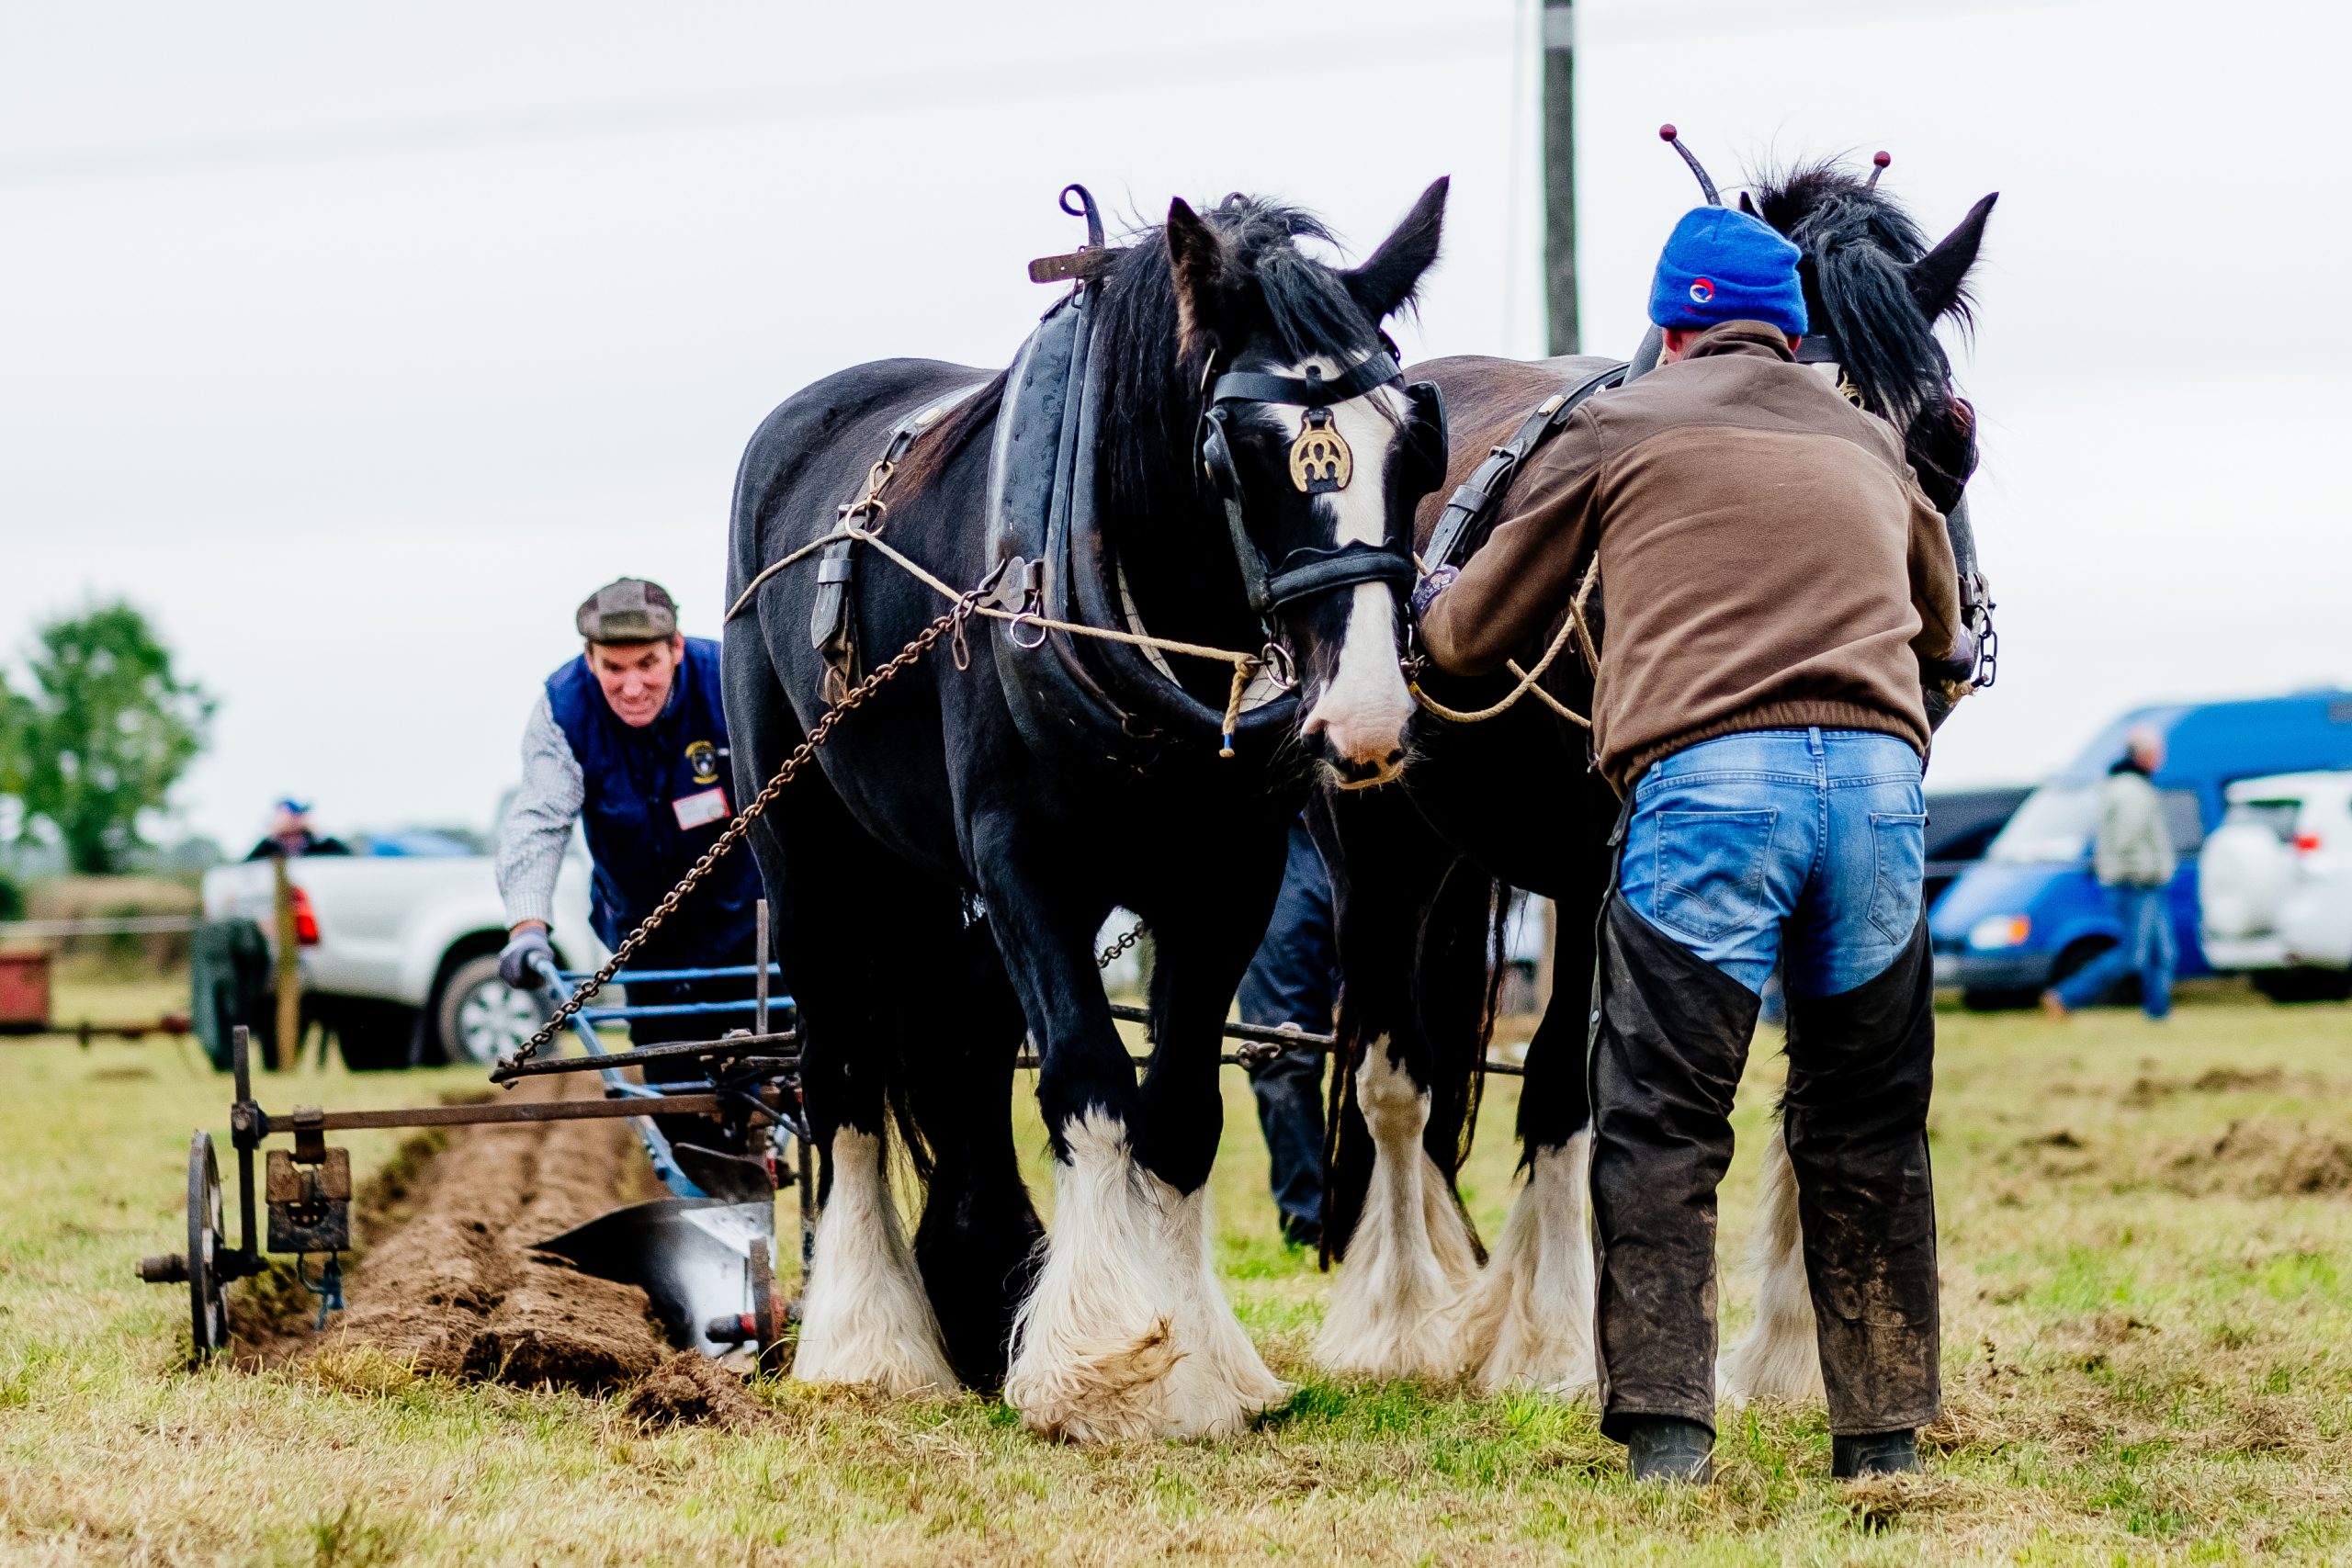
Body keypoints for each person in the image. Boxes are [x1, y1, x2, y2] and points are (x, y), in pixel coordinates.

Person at [1414, 206, 1978, 1483]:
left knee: (1665, 1118)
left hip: (1713, 788)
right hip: (1882, 796)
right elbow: (1942, 633)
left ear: (1670, 329)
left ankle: (1670, 1436)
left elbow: (1472, 635)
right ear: (1791, 331)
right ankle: (1881, 1441)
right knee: (1870, 1118)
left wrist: (1424, 598)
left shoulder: (1618, 423)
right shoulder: (1865, 438)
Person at [495, 578, 763, 1145]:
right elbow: (539, 822)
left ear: (677, 649)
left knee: (768, 1086)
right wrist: (527, 927)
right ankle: (712, 1202)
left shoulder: (732, 682)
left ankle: (760, 1169)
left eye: (648, 663)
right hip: (646, 940)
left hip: (751, 935)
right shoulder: (563, 709)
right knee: (676, 1106)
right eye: (613, 669)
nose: (632, 686)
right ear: (589, 658)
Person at [1234, 820, 1337, 1250]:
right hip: (1282, 830)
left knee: (1401, 1047)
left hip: (1387, 819)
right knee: (1283, 1051)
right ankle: (1312, 1224)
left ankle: (1396, 1209)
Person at [2042, 726, 2177, 1020]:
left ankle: (2158, 1014)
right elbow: (2127, 839)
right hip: (2137, 882)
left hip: (2145, 882)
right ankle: (2065, 996)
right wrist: (2142, 871)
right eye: (2157, 752)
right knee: (2132, 955)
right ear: (2144, 755)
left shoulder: (2127, 786)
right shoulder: (2131, 791)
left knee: (2161, 953)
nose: (2161, 758)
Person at [243, 799, 350, 861]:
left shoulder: (319, 845)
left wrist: (319, 835)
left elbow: (347, 859)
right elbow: (246, 867)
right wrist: (271, 837)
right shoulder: (269, 847)